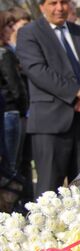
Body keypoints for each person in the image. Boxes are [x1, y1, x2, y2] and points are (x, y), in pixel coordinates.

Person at [15, 0, 80, 196]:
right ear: (42, 7)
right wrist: (77, 92)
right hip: (50, 124)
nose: (59, 8)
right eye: (53, 3)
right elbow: (37, 70)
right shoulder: (29, 33)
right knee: (49, 191)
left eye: (63, 2)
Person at [0, 12, 28, 175]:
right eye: (9, 26)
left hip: (7, 110)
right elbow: (15, 86)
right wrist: (24, 109)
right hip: (10, 111)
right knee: (12, 165)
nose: (12, 30)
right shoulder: (5, 54)